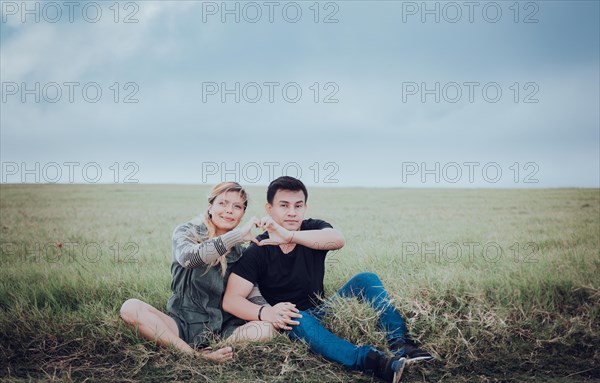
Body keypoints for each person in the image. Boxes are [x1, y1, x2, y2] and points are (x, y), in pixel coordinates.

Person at [223, 176, 433, 382]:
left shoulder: (311, 228)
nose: (292, 212)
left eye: (298, 205)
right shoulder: (258, 249)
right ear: (269, 209)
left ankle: (400, 344)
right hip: (290, 319)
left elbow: (337, 240)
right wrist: (267, 313)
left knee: (366, 279)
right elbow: (231, 300)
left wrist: (289, 236)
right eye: (284, 205)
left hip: (322, 309)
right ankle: (374, 362)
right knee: (299, 316)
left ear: (306, 207)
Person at [120, 182, 274, 363]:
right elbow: (189, 259)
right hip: (181, 325)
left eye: (237, 206)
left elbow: (250, 292)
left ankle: (218, 348)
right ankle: (193, 355)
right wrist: (236, 236)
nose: (229, 210)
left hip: (223, 329)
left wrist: (270, 312)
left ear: (242, 214)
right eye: (222, 203)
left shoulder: (242, 252)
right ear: (210, 207)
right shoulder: (187, 232)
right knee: (130, 308)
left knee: (266, 329)